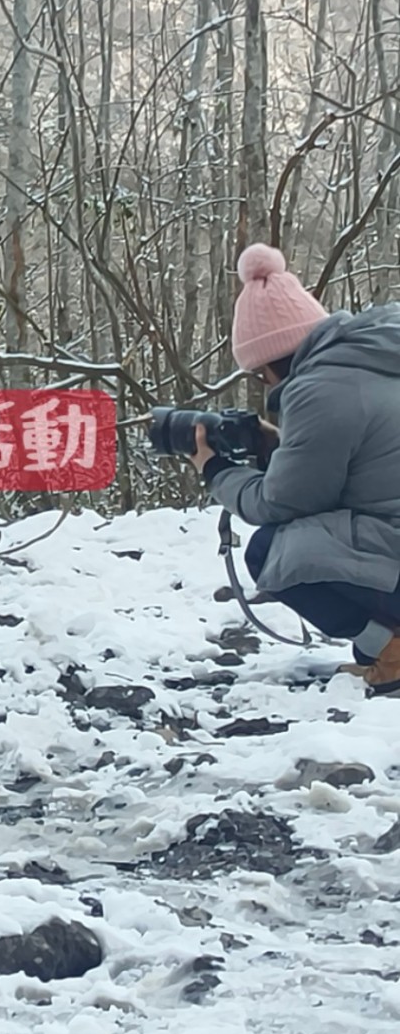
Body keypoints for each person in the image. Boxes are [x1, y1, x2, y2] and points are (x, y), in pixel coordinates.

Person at [191, 242, 400, 696]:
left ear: (270, 360)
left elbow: (280, 503)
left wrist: (214, 471)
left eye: (259, 373)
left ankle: (393, 650)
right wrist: (281, 446)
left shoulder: (321, 388)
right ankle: (381, 651)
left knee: (271, 551)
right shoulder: (376, 354)